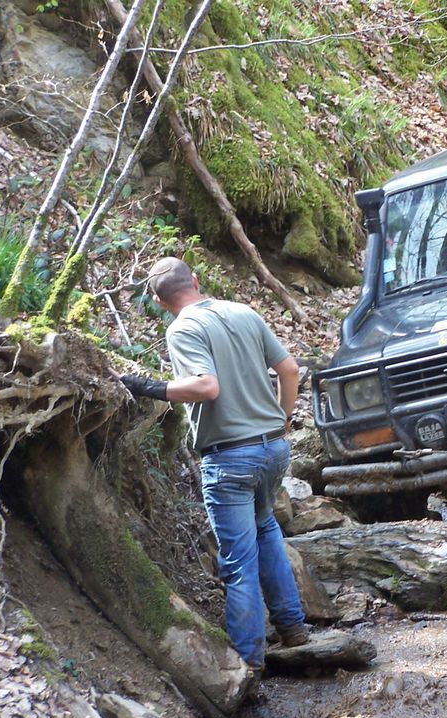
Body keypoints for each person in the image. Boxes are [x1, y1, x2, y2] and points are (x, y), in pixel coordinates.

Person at [120, 256, 309, 671]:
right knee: (265, 527)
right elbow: (290, 369)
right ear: (197, 279)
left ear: (157, 299)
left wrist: (149, 387)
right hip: (273, 449)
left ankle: (248, 663)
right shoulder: (244, 312)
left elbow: (206, 386)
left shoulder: (183, 328)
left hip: (229, 459)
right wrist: (283, 419)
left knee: (239, 560)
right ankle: (293, 628)